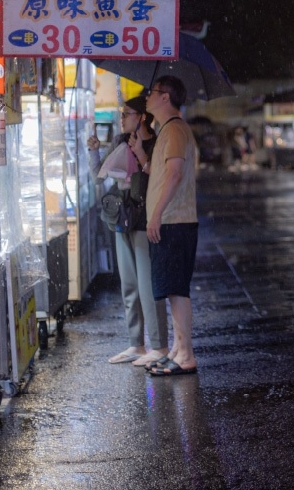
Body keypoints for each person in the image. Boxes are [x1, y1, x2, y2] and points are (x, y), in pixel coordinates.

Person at [88, 95, 169, 367]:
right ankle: (137, 343)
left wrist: (141, 155)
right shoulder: (121, 141)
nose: (121, 118)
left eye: (127, 114)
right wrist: (94, 152)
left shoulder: (155, 144)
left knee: (149, 286)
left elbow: (159, 180)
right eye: (122, 114)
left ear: (142, 117)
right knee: (130, 285)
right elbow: (98, 174)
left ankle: (159, 345)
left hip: (146, 221)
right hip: (122, 219)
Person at [143, 76, 200, 376]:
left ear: (165, 97)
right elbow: (162, 172)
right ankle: (179, 349)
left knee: (177, 289)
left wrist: (156, 214)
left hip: (174, 221)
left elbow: (175, 175)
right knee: (173, 288)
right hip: (172, 220)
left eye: (151, 92)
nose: (147, 97)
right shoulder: (168, 130)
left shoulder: (176, 129)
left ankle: (186, 354)